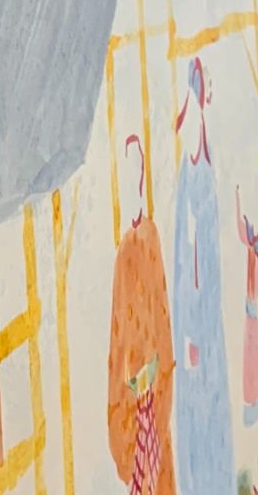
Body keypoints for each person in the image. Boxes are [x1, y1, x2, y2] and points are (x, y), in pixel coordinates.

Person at [171, 57, 234, 494]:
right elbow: (185, 262)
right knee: (196, 415)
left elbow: (205, 256)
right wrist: (191, 330)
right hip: (194, 327)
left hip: (208, 323)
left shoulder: (206, 169)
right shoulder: (188, 178)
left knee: (213, 409)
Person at [108, 135, 176, 495]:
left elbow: (160, 313)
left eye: (136, 169)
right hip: (133, 398)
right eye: (126, 170)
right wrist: (128, 382)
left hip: (154, 391)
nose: (131, 180)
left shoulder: (150, 237)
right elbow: (118, 330)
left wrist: (156, 373)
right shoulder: (124, 252)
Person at [236, 191, 258, 426]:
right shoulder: (250, 250)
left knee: (253, 357)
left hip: (254, 317)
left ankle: (255, 393)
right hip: (251, 317)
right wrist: (237, 197)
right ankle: (251, 395)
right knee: (249, 356)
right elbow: (240, 228)